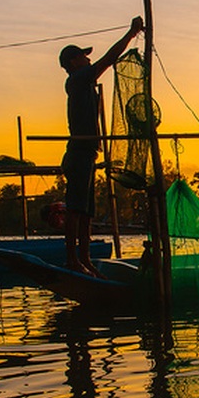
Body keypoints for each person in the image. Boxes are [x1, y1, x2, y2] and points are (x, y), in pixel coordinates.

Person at [59, 15, 144, 276]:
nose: (87, 60)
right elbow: (108, 60)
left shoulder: (85, 86)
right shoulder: (76, 80)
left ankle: (84, 259)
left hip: (88, 154)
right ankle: (73, 260)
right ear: (74, 62)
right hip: (78, 152)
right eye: (84, 57)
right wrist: (131, 34)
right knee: (75, 209)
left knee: (86, 212)